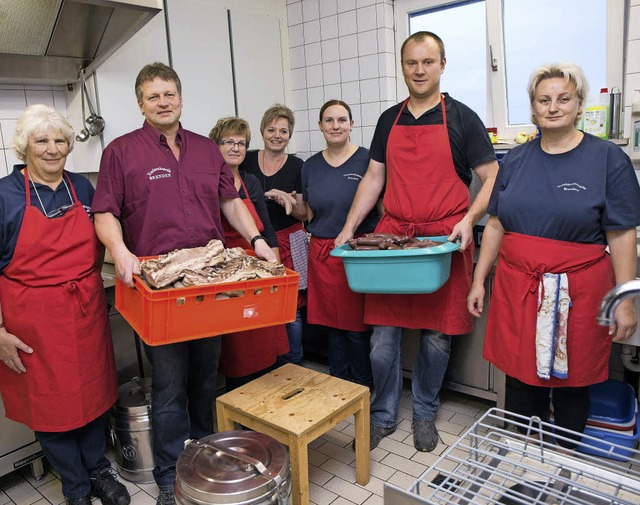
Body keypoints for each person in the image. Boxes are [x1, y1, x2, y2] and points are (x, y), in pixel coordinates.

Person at [92, 63, 276, 505]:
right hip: (161, 287)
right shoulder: (120, 151)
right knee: (169, 384)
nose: (163, 101)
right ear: (140, 103)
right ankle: (171, 476)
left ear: (181, 98)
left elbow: (229, 202)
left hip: (208, 284)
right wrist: (120, 252)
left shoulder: (204, 150)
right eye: (153, 96)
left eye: (169, 94)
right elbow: (105, 212)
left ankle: (205, 457)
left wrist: (259, 241)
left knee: (206, 376)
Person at [335, 31, 499, 452]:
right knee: (382, 337)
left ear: (442, 65)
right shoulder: (389, 119)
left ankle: (424, 411)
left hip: (443, 240)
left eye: (427, 62)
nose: (419, 70)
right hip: (393, 242)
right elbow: (374, 177)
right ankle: (384, 414)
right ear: (403, 67)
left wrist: (469, 219)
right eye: (411, 62)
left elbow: (492, 175)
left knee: (436, 336)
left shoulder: (462, 118)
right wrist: (350, 228)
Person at [467, 62, 640, 448]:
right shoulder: (515, 160)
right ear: (533, 109)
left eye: (564, 99)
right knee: (519, 376)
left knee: (572, 380)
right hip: (518, 286)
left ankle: (562, 459)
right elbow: (496, 224)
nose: (553, 107)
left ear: (579, 105)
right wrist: (479, 280)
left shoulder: (608, 159)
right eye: (544, 100)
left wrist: (625, 300)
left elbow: (622, 233)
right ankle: (525, 455)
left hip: (579, 290)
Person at [0, 105, 129, 505]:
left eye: (60, 140)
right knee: (50, 408)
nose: (52, 149)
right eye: (42, 141)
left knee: (93, 398)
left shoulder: (83, 189)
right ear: (25, 147)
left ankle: (97, 471)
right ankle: (75, 486)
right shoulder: (4, 196)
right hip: (32, 320)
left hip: (85, 310)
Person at [208, 117, 288, 390]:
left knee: (266, 342)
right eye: (228, 142)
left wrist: (275, 269)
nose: (235, 148)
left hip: (258, 270)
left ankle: (267, 406)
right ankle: (240, 416)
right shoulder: (207, 184)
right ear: (215, 146)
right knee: (238, 350)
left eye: (241, 143)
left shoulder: (250, 182)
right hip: (227, 275)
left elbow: (266, 228)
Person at [302, 100, 378, 388]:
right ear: (320, 126)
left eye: (342, 120)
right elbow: (309, 213)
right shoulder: (310, 166)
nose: (336, 126)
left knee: (357, 328)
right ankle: (338, 387)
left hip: (357, 254)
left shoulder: (368, 161)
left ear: (352, 124)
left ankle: (361, 387)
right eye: (329, 120)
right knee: (332, 328)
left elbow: (381, 207)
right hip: (322, 253)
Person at [240, 103, 308, 365]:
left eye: (283, 131)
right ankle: (265, 365)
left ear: (290, 135)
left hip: (290, 241)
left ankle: (293, 366)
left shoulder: (297, 166)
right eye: (271, 129)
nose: (277, 135)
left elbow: (304, 214)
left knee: (291, 309)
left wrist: (285, 201)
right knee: (259, 307)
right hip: (254, 242)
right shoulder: (245, 159)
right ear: (262, 131)